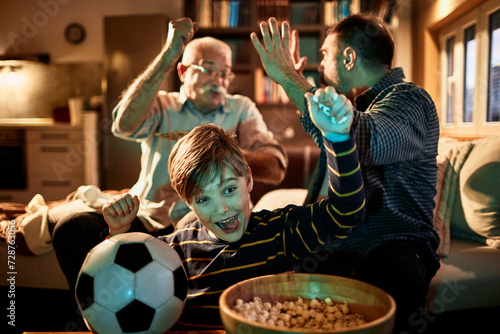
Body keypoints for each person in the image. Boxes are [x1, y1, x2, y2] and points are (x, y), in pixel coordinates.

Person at [52, 17, 287, 329]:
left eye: (225, 73)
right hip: (146, 216)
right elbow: (123, 125)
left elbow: (275, 167)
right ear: (182, 71)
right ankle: (96, 322)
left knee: (196, 227)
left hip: (195, 219)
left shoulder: (240, 108)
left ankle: (178, 323)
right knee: (71, 225)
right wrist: (168, 53)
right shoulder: (162, 104)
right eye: (208, 69)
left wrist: (214, 150)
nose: (219, 79)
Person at [102, 91, 365, 330]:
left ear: (248, 179)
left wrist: (338, 139)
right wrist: (118, 232)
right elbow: (118, 287)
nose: (222, 208)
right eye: (203, 200)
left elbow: (346, 212)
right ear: (188, 203)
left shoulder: (280, 231)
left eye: (229, 190)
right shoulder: (172, 253)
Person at [251, 13, 441, 333]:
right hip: (340, 248)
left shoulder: (410, 99)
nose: (320, 67)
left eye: (325, 55)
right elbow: (326, 126)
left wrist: (286, 75)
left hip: (388, 249)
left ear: (349, 57)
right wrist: (292, 81)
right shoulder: (351, 107)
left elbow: (364, 140)